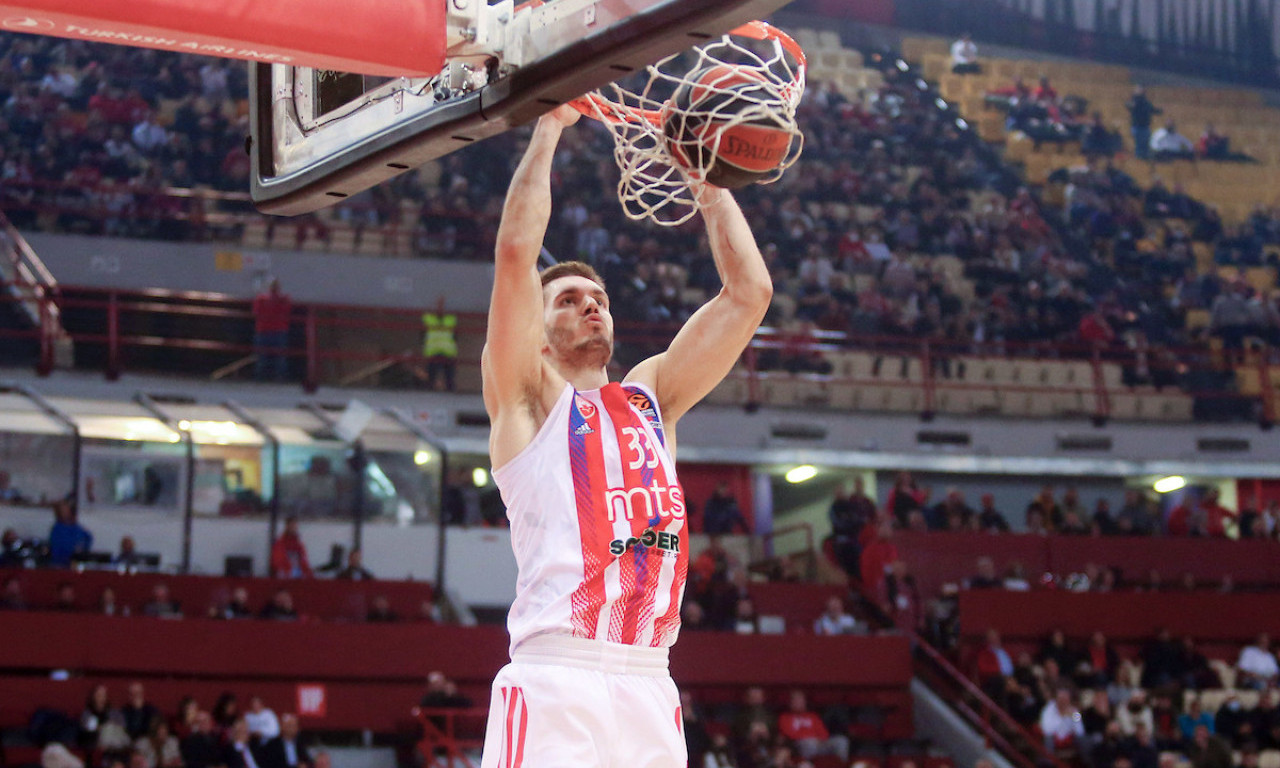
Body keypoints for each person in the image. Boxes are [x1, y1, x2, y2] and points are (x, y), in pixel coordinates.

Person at [477, 104, 772, 768]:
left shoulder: (651, 397)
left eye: (600, 299)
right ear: (536, 336)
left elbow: (749, 293)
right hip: (558, 671)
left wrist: (705, 177)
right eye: (568, 299)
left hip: (650, 677)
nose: (591, 304)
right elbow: (516, 254)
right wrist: (550, 125)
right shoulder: (526, 401)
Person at [252, 278, 292, 381]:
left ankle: (261, 378)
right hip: (277, 331)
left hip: (265, 331)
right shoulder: (284, 299)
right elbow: (287, 311)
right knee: (278, 357)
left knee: (263, 357)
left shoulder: (261, 299)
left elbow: (256, 312)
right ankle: (278, 378)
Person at [420, 296, 458, 392]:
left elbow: (456, 335)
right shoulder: (428, 318)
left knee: (449, 380)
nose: (440, 307)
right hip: (433, 352)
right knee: (430, 380)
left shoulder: (451, 319)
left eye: (442, 305)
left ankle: (450, 395)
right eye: (438, 305)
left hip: (448, 352)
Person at [47, 501, 93, 566]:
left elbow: (88, 538)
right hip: (60, 564)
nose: (65, 512)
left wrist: (82, 547)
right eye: (62, 510)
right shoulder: (56, 529)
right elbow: (56, 548)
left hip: (75, 563)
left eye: (67, 510)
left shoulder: (76, 527)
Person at [1126, 86, 1162, 161]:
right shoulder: (1134, 101)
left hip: (1145, 127)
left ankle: (1144, 158)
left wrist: (1159, 111)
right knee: (1139, 145)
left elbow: (1153, 109)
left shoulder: (1146, 103)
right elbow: (1128, 105)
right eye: (1139, 90)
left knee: (1145, 144)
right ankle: (1139, 159)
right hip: (1137, 127)